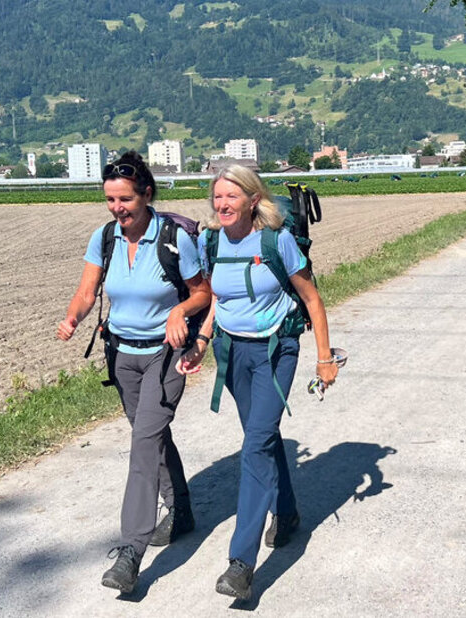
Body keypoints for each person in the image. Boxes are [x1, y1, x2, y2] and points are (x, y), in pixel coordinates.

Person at [177, 165, 338, 601]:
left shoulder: (276, 240)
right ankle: (286, 512)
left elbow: (311, 298)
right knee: (261, 437)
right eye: (218, 197)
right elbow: (216, 297)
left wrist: (324, 357)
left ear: (253, 199)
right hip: (232, 352)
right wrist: (202, 342)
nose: (223, 204)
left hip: (274, 351)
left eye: (232, 196)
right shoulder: (210, 241)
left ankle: (241, 563)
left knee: (255, 445)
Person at [57, 151, 211, 594]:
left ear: (146, 194)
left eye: (124, 199)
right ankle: (180, 510)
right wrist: (72, 318)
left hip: (165, 357)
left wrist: (180, 311)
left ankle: (131, 552)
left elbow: (203, 293)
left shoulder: (173, 239)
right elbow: (87, 292)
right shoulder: (105, 237)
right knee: (152, 436)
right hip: (122, 357)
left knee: (143, 445)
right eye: (110, 200)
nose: (117, 208)